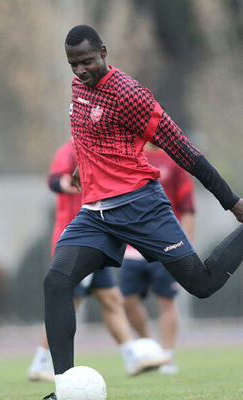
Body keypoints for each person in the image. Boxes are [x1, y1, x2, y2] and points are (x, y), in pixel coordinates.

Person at [41, 25, 243, 400]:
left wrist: (230, 200)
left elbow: (184, 149)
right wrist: (84, 168)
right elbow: (89, 134)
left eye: (87, 61)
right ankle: (64, 390)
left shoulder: (130, 95)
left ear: (104, 51)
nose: (80, 71)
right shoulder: (78, 88)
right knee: (56, 282)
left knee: (202, 285)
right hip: (96, 214)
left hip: (141, 206)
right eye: (73, 64)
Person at [28, 139, 169, 382]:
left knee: (111, 298)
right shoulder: (70, 149)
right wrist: (72, 183)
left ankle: (131, 358)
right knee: (67, 301)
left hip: (98, 238)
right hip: (77, 240)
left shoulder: (104, 148)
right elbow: (54, 180)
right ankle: (40, 362)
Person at [120, 142, 195, 375]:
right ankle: (150, 349)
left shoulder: (174, 160)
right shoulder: (129, 156)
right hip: (133, 247)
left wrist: (186, 247)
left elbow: (188, 206)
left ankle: (167, 356)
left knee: (166, 301)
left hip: (167, 245)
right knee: (127, 301)